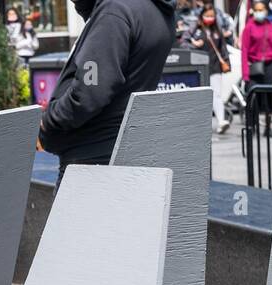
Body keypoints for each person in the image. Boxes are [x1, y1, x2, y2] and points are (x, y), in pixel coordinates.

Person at [38, 0, 177, 186]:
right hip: (118, 150)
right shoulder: (151, 9)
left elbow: (89, 92)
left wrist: (49, 120)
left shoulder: (114, 11)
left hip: (90, 162)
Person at [187, 2, 234, 132]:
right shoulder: (196, 29)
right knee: (202, 96)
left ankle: (221, 121)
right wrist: (194, 43)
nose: (210, 18)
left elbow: (223, 47)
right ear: (202, 16)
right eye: (207, 15)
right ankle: (200, 126)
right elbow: (185, 42)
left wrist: (226, 63)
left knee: (217, 95)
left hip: (215, 67)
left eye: (212, 15)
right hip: (199, 69)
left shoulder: (217, 30)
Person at [241, 0, 272, 122]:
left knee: (269, 95)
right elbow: (244, 51)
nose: (259, 12)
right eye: (256, 10)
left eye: (261, 10)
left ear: (267, 11)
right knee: (253, 96)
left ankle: (268, 125)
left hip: (270, 65)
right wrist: (245, 75)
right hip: (255, 66)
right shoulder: (249, 27)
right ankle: (252, 125)